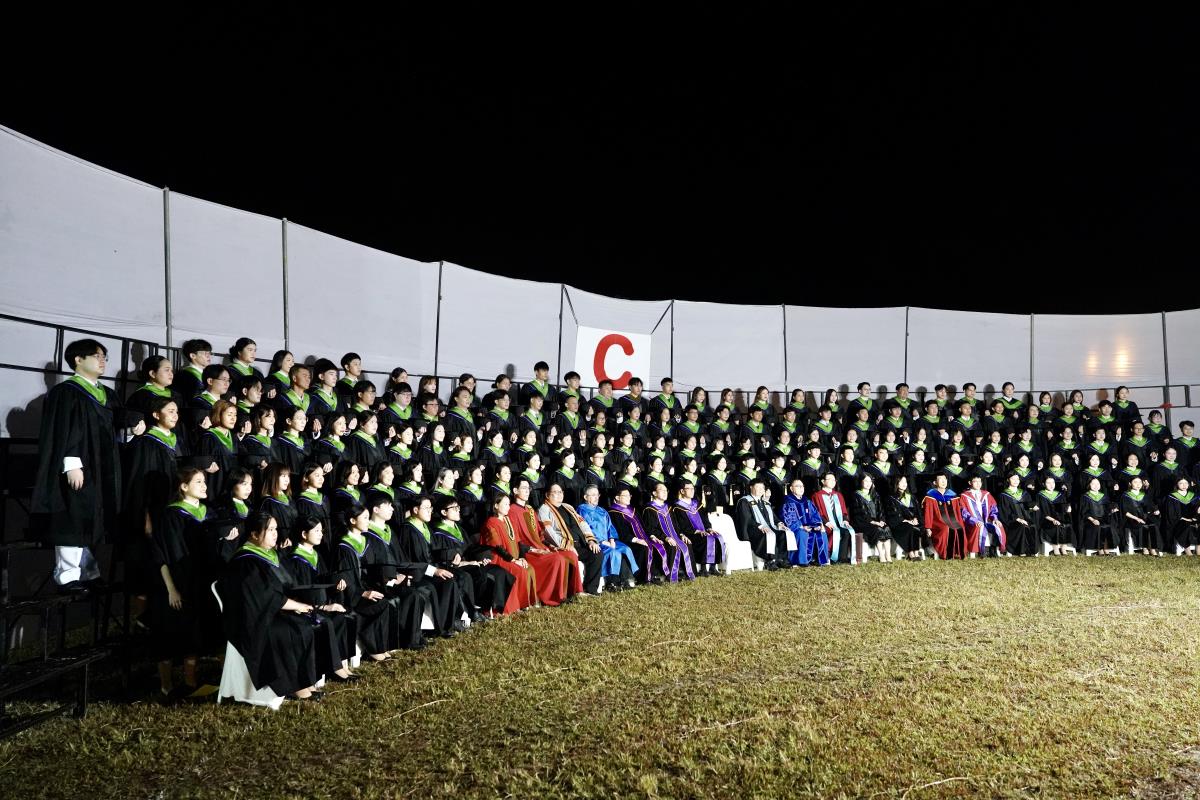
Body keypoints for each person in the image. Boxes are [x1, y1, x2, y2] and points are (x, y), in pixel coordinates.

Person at [32, 339, 134, 592]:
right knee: (73, 517)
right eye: (96, 356)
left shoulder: (107, 394)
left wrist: (132, 428)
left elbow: (115, 429)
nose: (102, 361)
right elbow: (62, 431)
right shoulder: (66, 392)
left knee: (92, 518)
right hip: (79, 465)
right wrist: (71, 463)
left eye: (104, 357)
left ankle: (88, 572)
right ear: (78, 360)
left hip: (103, 466)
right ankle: (67, 576)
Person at [218, 511, 327, 701]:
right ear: (254, 534)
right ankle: (294, 687)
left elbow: (281, 589)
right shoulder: (246, 561)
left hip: (269, 612)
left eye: (276, 529)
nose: (276, 534)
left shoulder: (268, 555)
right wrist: (295, 605)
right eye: (270, 530)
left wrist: (298, 605)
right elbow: (265, 596)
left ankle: (304, 681)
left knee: (304, 624)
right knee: (290, 631)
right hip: (252, 621)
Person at [151, 467, 231, 701]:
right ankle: (166, 687)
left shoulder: (209, 514)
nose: (205, 486)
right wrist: (171, 589)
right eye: (198, 482)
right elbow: (163, 555)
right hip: (178, 584)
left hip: (203, 583)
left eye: (204, 481)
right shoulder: (171, 516)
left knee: (196, 635)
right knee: (171, 636)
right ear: (183, 487)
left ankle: (191, 683)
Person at [283, 513, 361, 682]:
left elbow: (324, 583)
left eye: (321, 531)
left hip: (323, 604)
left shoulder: (317, 555)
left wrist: (336, 585)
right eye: (316, 531)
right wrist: (324, 607)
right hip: (306, 609)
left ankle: (341, 664)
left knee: (343, 617)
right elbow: (299, 593)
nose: (321, 534)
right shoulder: (295, 560)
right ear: (304, 534)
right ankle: (335, 669)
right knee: (329, 622)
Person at [432, 495, 513, 618]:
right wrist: (470, 562)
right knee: (479, 573)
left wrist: (481, 558)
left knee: (500, 571)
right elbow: (445, 558)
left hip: (470, 563)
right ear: (444, 512)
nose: (458, 510)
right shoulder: (438, 533)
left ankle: (494, 609)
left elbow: (470, 549)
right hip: (455, 567)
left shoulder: (459, 529)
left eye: (458, 507)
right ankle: (476, 609)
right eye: (454, 508)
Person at [508, 477, 577, 604]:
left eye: (528, 488)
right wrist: (534, 550)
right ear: (515, 490)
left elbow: (540, 535)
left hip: (541, 547)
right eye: (524, 488)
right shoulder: (512, 511)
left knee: (569, 554)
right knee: (557, 558)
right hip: (527, 552)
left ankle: (573, 592)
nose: (527, 491)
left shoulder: (530, 509)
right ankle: (552, 597)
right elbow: (515, 540)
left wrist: (551, 546)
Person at [539, 483, 604, 595]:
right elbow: (548, 532)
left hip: (580, 543)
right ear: (547, 495)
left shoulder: (568, 507)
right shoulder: (544, 509)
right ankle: (575, 591)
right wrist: (566, 545)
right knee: (573, 555)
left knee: (597, 553)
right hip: (563, 545)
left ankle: (591, 590)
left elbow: (583, 523)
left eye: (560, 492)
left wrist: (591, 540)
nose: (559, 495)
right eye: (555, 492)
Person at [478, 494, 537, 612]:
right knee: (520, 571)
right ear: (496, 505)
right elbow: (497, 546)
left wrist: (521, 558)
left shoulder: (509, 520)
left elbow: (518, 541)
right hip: (500, 558)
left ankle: (526, 602)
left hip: (513, 557)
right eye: (505, 504)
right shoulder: (491, 522)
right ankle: (515, 606)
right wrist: (514, 561)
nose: (508, 507)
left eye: (509, 504)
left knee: (529, 568)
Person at [579, 484, 639, 589]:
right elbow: (586, 529)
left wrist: (611, 539)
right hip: (596, 542)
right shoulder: (582, 510)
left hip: (608, 540)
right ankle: (613, 582)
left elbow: (610, 526)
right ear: (585, 497)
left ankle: (629, 578)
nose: (596, 497)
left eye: (597, 495)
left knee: (626, 549)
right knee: (613, 552)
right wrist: (601, 542)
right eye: (593, 495)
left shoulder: (602, 510)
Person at [608, 486, 669, 585]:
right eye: (625, 496)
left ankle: (655, 574)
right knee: (643, 548)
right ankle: (643, 578)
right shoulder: (613, 513)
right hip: (627, 541)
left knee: (658, 545)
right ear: (617, 497)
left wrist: (652, 536)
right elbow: (620, 532)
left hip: (644, 538)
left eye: (629, 495)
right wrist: (637, 540)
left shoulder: (633, 510)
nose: (629, 498)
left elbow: (644, 526)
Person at [672, 481, 727, 575]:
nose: (692, 491)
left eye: (693, 488)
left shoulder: (697, 504)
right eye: (689, 489)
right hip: (689, 534)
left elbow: (705, 519)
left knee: (717, 537)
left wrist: (709, 528)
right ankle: (703, 568)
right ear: (682, 491)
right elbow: (681, 524)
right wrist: (697, 531)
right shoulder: (677, 507)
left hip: (703, 532)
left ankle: (713, 567)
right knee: (705, 539)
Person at [735, 477, 787, 570]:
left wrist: (779, 523)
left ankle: (780, 559)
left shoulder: (765, 503)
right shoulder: (744, 501)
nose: (760, 490)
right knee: (767, 535)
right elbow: (747, 519)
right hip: (752, 530)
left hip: (768, 528)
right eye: (758, 487)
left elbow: (774, 517)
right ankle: (770, 561)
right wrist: (760, 526)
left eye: (762, 488)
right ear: (751, 487)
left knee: (783, 534)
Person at [780, 478, 828, 566]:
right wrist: (802, 526)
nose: (801, 488)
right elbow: (788, 518)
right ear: (791, 488)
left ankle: (818, 560)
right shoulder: (788, 501)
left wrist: (817, 525)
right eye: (797, 486)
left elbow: (815, 514)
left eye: (802, 486)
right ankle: (802, 561)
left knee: (821, 533)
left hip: (809, 526)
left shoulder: (807, 501)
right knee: (802, 533)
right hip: (797, 528)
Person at [814, 472, 857, 564]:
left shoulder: (838, 495)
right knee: (835, 531)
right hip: (825, 523)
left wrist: (845, 520)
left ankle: (842, 558)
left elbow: (844, 510)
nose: (833, 482)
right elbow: (816, 512)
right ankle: (830, 556)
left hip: (839, 523)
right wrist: (826, 522)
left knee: (847, 532)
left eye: (834, 480)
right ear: (823, 481)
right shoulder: (817, 495)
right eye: (830, 479)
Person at [922, 473, 968, 560]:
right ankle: (947, 553)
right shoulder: (930, 496)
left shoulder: (952, 495)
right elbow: (928, 513)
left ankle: (958, 552)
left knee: (959, 528)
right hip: (936, 522)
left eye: (945, 479)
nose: (943, 482)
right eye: (940, 479)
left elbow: (957, 512)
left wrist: (960, 522)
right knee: (946, 528)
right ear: (935, 482)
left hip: (952, 520)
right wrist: (928, 527)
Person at [959, 474, 1006, 558]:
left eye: (979, 481)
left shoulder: (986, 494)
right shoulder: (964, 496)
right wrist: (974, 521)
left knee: (998, 526)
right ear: (970, 483)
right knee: (980, 526)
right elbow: (964, 512)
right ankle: (979, 552)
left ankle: (996, 550)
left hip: (987, 520)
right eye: (975, 481)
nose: (978, 484)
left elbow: (993, 508)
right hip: (971, 522)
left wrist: (995, 518)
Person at [850, 474, 891, 562]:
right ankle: (881, 555)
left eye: (870, 481)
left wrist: (882, 520)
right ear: (861, 482)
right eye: (866, 481)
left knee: (886, 528)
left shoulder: (875, 495)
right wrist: (872, 522)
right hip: (862, 523)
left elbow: (881, 510)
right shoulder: (856, 495)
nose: (868, 483)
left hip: (876, 521)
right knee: (878, 530)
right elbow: (858, 514)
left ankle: (888, 555)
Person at [996, 472, 1039, 557]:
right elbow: (1004, 512)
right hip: (1011, 521)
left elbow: (1027, 507)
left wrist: (1032, 508)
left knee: (1032, 525)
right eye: (1013, 479)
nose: (1016, 481)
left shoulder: (1024, 493)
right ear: (1008, 480)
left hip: (1025, 518)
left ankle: (1031, 551)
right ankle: (1018, 551)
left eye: (1017, 479)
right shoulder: (1004, 495)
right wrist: (1017, 519)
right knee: (1021, 526)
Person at [884, 475, 925, 560]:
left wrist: (915, 519)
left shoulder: (911, 496)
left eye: (905, 482)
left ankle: (916, 552)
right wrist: (906, 520)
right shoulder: (891, 498)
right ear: (896, 483)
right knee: (909, 527)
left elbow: (917, 511)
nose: (904, 484)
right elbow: (892, 515)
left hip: (912, 522)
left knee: (918, 527)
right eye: (901, 482)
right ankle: (911, 554)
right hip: (899, 524)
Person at [1121, 476, 1162, 556]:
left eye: (1140, 482)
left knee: (1153, 524)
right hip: (1131, 519)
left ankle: (1152, 548)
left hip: (1145, 517)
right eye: (1135, 482)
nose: (1138, 484)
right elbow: (1125, 512)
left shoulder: (1144, 494)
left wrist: (1155, 511)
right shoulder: (1125, 495)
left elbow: (1150, 507)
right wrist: (1137, 518)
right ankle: (1144, 547)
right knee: (1142, 525)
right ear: (1130, 484)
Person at [1079, 475, 1120, 556]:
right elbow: (1084, 512)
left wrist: (1112, 510)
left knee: (1109, 526)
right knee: (1098, 527)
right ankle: (1100, 549)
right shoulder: (1085, 497)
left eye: (1098, 484)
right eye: (1093, 484)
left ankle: (1106, 548)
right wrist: (1093, 520)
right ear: (1089, 485)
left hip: (1103, 519)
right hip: (1090, 520)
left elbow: (1106, 509)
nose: (1096, 486)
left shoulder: (1103, 496)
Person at [1037, 476, 1074, 556]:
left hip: (1060, 518)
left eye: (1053, 482)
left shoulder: (1059, 494)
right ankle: (1055, 547)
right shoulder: (1040, 495)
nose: (1051, 485)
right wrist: (1053, 520)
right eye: (1048, 483)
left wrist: (1068, 509)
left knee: (1067, 525)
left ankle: (1063, 547)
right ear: (1043, 484)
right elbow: (1042, 512)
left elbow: (1063, 508)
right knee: (1055, 526)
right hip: (1046, 519)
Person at [1161, 476, 1199, 555]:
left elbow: (1197, 509)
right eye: (1181, 483)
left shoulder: (1194, 495)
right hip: (1178, 520)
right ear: (1176, 484)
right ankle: (1187, 549)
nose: (1184, 485)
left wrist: (1195, 518)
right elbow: (1171, 513)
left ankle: (1198, 550)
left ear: (1189, 484)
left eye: (1186, 483)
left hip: (1193, 519)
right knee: (1186, 525)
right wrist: (1183, 518)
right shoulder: (1172, 497)